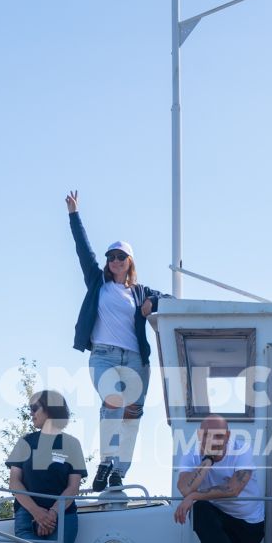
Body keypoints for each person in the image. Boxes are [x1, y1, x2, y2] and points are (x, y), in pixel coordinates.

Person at [65, 191, 162, 491]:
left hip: (135, 358)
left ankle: (119, 471)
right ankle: (106, 461)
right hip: (104, 355)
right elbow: (84, 250)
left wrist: (153, 303)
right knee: (114, 403)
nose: (115, 260)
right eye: (111, 257)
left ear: (130, 261)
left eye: (121, 256)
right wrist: (74, 214)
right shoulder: (99, 283)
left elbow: (170, 300)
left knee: (132, 414)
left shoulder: (139, 291)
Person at [173, 415, 265, 543]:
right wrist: (207, 460)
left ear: (228, 436)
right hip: (218, 517)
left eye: (218, 435)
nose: (212, 440)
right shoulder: (192, 454)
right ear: (200, 435)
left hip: (248, 522)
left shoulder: (241, 449)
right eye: (207, 435)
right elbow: (184, 489)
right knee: (200, 509)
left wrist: (193, 496)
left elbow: (233, 490)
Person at [6, 390, 87, 543]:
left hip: (63, 518)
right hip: (27, 517)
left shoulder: (72, 444)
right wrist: (37, 512)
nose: (31, 413)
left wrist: (51, 513)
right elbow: (14, 482)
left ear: (50, 409)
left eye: (34, 408)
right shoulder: (25, 442)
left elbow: (73, 487)